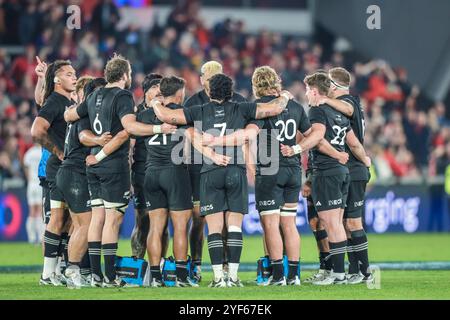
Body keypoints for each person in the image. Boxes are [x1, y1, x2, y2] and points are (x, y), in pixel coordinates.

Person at [151, 73, 294, 287]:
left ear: (210, 91)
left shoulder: (198, 111)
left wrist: (154, 101)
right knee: (234, 227)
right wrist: (283, 96)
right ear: (230, 91)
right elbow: (274, 109)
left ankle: (218, 278)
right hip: (235, 170)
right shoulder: (242, 108)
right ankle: (234, 277)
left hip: (210, 171)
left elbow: (167, 116)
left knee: (215, 228)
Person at [64, 54, 176, 287]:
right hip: (113, 165)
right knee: (111, 222)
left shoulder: (94, 94)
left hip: (93, 165)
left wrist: (96, 139)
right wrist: (160, 127)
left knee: (97, 218)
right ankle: (110, 277)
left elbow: (69, 115)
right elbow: (130, 127)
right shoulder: (123, 95)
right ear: (125, 75)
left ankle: (95, 275)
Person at [281, 72, 370, 285]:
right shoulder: (339, 113)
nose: (306, 96)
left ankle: (337, 273)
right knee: (338, 223)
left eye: (307, 91)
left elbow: (318, 138)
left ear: (313, 91)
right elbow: (354, 142)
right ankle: (343, 272)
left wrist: (296, 148)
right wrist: (364, 158)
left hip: (328, 171)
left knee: (331, 223)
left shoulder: (318, 110)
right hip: (343, 172)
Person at [183, 61, 247, 280]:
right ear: (202, 80)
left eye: (215, 77)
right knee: (200, 219)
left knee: (226, 219)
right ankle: (197, 263)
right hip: (200, 168)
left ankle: (227, 268)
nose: (210, 81)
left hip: (223, 165)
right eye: (207, 77)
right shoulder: (193, 102)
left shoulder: (238, 100)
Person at [139, 76, 195, 287]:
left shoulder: (144, 114)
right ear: (180, 94)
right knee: (180, 228)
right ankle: (181, 277)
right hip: (175, 172)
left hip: (151, 172)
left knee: (156, 227)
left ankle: (155, 277)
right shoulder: (182, 114)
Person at [320, 67, 373, 283]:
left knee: (353, 223)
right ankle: (355, 270)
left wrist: (324, 99)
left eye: (328, 85)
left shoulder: (349, 102)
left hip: (354, 168)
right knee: (345, 224)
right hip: (348, 169)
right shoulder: (350, 104)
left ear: (335, 86)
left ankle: (365, 272)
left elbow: (348, 110)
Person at [31, 60, 77, 286]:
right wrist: (57, 150)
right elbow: (36, 130)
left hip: (68, 170)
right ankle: (48, 273)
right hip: (56, 169)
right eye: (69, 74)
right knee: (56, 219)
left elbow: (42, 102)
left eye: (74, 73)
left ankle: (56, 270)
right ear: (57, 80)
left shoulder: (67, 101)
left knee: (67, 222)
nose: (74, 77)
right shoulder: (56, 101)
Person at [130, 73, 169, 259]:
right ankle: (138, 264)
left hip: (164, 173)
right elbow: (127, 147)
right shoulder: (134, 115)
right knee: (142, 221)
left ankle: (160, 266)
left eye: (161, 87)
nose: (159, 90)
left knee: (163, 223)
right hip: (141, 173)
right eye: (154, 87)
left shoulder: (169, 113)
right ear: (145, 92)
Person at [23, 143, 44, 245]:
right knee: (40, 211)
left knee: (31, 211)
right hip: (39, 183)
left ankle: (31, 238)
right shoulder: (42, 152)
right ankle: (40, 237)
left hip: (31, 184)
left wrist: (30, 180)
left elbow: (26, 168)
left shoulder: (29, 153)